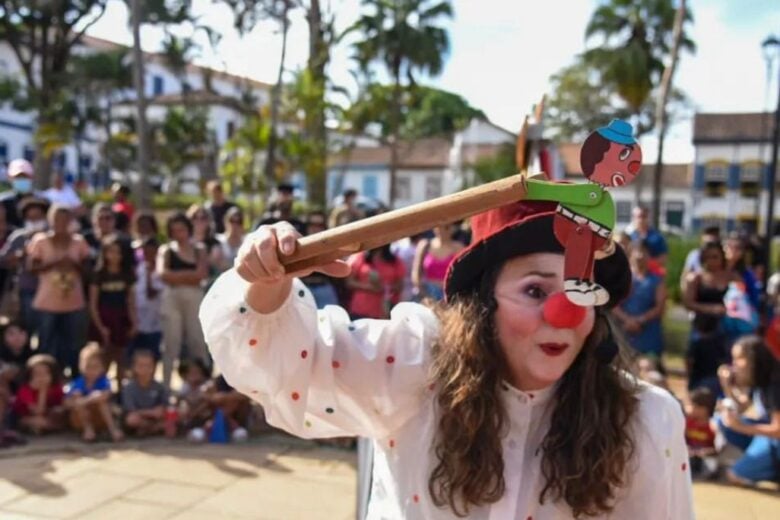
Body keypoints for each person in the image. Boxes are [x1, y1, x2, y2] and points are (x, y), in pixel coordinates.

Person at [201, 198, 693, 518]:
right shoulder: (414, 367)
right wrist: (268, 283)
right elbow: (286, 363)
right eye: (535, 288)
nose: (564, 314)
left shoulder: (645, 420)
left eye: (580, 290)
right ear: (481, 302)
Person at [28, 205, 90, 377]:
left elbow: (88, 271)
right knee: (46, 346)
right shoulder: (40, 241)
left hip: (74, 304)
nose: (61, 223)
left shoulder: (79, 242)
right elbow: (31, 268)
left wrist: (73, 264)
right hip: (46, 303)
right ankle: (47, 381)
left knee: (74, 346)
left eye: (65, 219)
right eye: (57, 219)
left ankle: (75, 381)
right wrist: (54, 263)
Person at [717, 335, 780, 486]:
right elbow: (742, 407)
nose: (734, 365)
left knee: (735, 475)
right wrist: (727, 386)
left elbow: (778, 430)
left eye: (738, 359)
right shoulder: (760, 377)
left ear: (753, 360)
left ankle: (770, 468)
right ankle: (763, 462)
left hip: (775, 439)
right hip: (769, 437)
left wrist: (741, 427)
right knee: (724, 422)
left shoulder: (775, 383)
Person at [157, 213, 210, 388]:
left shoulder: (199, 249)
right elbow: (163, 274)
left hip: (194, 297)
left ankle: (205, 384)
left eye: (182, 229)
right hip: (172, 298)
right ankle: (166, 388)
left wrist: (176, 276)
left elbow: (201, 274)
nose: (179, 233)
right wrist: (189, 276)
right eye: (175, 230)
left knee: (198, 342)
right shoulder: (166, 250)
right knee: (171, 344)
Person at [682, 241, 741, 393]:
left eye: (715, 257)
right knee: (694, 359)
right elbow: (688, 302)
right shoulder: (695, 278)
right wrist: (710, 308)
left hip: (723, 328)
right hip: (701, 328)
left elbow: (741, 300)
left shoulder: (732, 277)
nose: (712, 261)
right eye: (708, 257)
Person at [88, 235, 138, 381]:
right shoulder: (99, 274)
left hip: (121, 318)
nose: (114, 256)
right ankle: (101, 387)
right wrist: (100, 326)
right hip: (104, 317)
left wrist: (134, 322)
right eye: (110, 252)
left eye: (117, 252)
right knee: (104, 357)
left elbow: (130, 301)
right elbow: (93, 304)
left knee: (121, 357)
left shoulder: (127, 274)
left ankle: (120, 391)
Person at [0, 197, 49, 328]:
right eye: (30, 218)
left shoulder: (52, 237)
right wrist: (20, 254)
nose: (34, 221)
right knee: (27, 326)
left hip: (50, 290)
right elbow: (2, 259)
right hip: (26, 290)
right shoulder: (18, 237)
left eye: (37, 217)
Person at [612, 243, 666, 359]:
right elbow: (612, 303)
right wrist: (627, 320)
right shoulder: (620, 277)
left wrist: (639, 320)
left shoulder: (657, 280)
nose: (640, 256)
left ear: (649, 256)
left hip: (649, 333)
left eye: (644, 252)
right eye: (637, 251)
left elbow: (659, 307)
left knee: (649, 367)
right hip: (622, 331)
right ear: (630, 255)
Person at [65, 343, 123, 443]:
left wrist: (89, 399)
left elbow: (106, 394)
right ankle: (88, 430)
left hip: (100, 417)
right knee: (78, 401)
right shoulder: (78, 382)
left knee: (102, 402)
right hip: (81, 418)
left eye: (95, 367)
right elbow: (68, 401)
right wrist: (85, 400)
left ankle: (113, 429)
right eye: (88, 367)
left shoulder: (104, 381)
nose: (91, 371)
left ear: (102, 367)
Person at [346, 245, 405, 320]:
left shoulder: (395, 260)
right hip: (361, 310)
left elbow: (400, 285)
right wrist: (370, 287)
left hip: (384, 311)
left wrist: (384, 288)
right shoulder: (360, 257)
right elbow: (349, 282)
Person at [13, 354, 66, 435]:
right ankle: (39, 427)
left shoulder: (56, 388)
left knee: (58, 413)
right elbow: (38, 411)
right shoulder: (25, 390)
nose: (41, 377)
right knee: (39, 421)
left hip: (48, 414)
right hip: (24, 416)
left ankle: (46, 427)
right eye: (37, 374)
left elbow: (61, 404)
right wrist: (42, 391)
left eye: (45, 373)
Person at [131, 238, 164, 362]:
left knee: (153, 355)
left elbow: (151, 293)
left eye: (152, 253)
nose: (149, 256)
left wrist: (150, 274)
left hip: (155, 322)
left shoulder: (161, 271)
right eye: (146, 253)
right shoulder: (138, 269)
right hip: (138, 319)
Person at [411, 225, 465, 302]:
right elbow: (416, 276)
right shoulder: (424, 245)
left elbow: (464, 274)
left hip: (451, 295)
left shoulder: (459, 247)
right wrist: (426, 296)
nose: (440, 230)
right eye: (438, 226)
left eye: (445, 227)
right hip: (429, 295)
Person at [121, 349, 168, 437]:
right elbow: (130, 410)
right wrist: (150, 412)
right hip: (139, 417)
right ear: (134, 367)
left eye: (148, 365)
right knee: (131, 419)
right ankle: (151, 428)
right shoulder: (128, 388)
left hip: (156, 418)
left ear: (153, 367)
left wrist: (160, 411)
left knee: (174, 415)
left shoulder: (159, 386)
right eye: (141, 366)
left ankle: (150, 429)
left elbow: (165, 405)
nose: (145, 369)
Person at [299, 211, 340, 308]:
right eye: (312, 224)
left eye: (320, 225)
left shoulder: (331, 244)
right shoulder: (299, 244)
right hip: (303, 287)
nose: (316, 228)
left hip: (324, 287)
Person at [684, 388, 718, 479]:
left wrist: (705, 451)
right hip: (689, 455)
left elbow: (717, 448)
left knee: (711, 466)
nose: (688, 409)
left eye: (692, 406)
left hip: (705, 457)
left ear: (704, 409)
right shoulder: (687, 422)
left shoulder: (712, 425)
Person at [176, 358, 213, 442]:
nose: (194, 376)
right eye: (191, 373)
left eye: (196, 373)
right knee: (183, 406)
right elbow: (179, 399)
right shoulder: (185, 386)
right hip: (190, 414)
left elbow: (208, 401)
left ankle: (204, 430)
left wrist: (195, 412)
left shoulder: (207, 385)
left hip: (204, 415)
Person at [723, 233, 761, 312]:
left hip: (740, 314)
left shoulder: (747, 274)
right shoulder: (716, 270)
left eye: (738, 248)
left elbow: (754, 298)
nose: (733, 250)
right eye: (730, 246)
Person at [627, 206, 668, 275]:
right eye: (639, 216)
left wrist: (645, 264)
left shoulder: (657, 237)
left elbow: (663, 258)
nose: (641, 220)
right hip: (632, 273)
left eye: (644, 216)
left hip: (652, 273)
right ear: (633, 218)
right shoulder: (629, 236)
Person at [0, 158, 37, 228]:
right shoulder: (3, 203)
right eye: (18, 177)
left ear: (32, 177)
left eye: (25, 177)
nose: (22, 180)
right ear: (10, 178)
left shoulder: (41, 203)